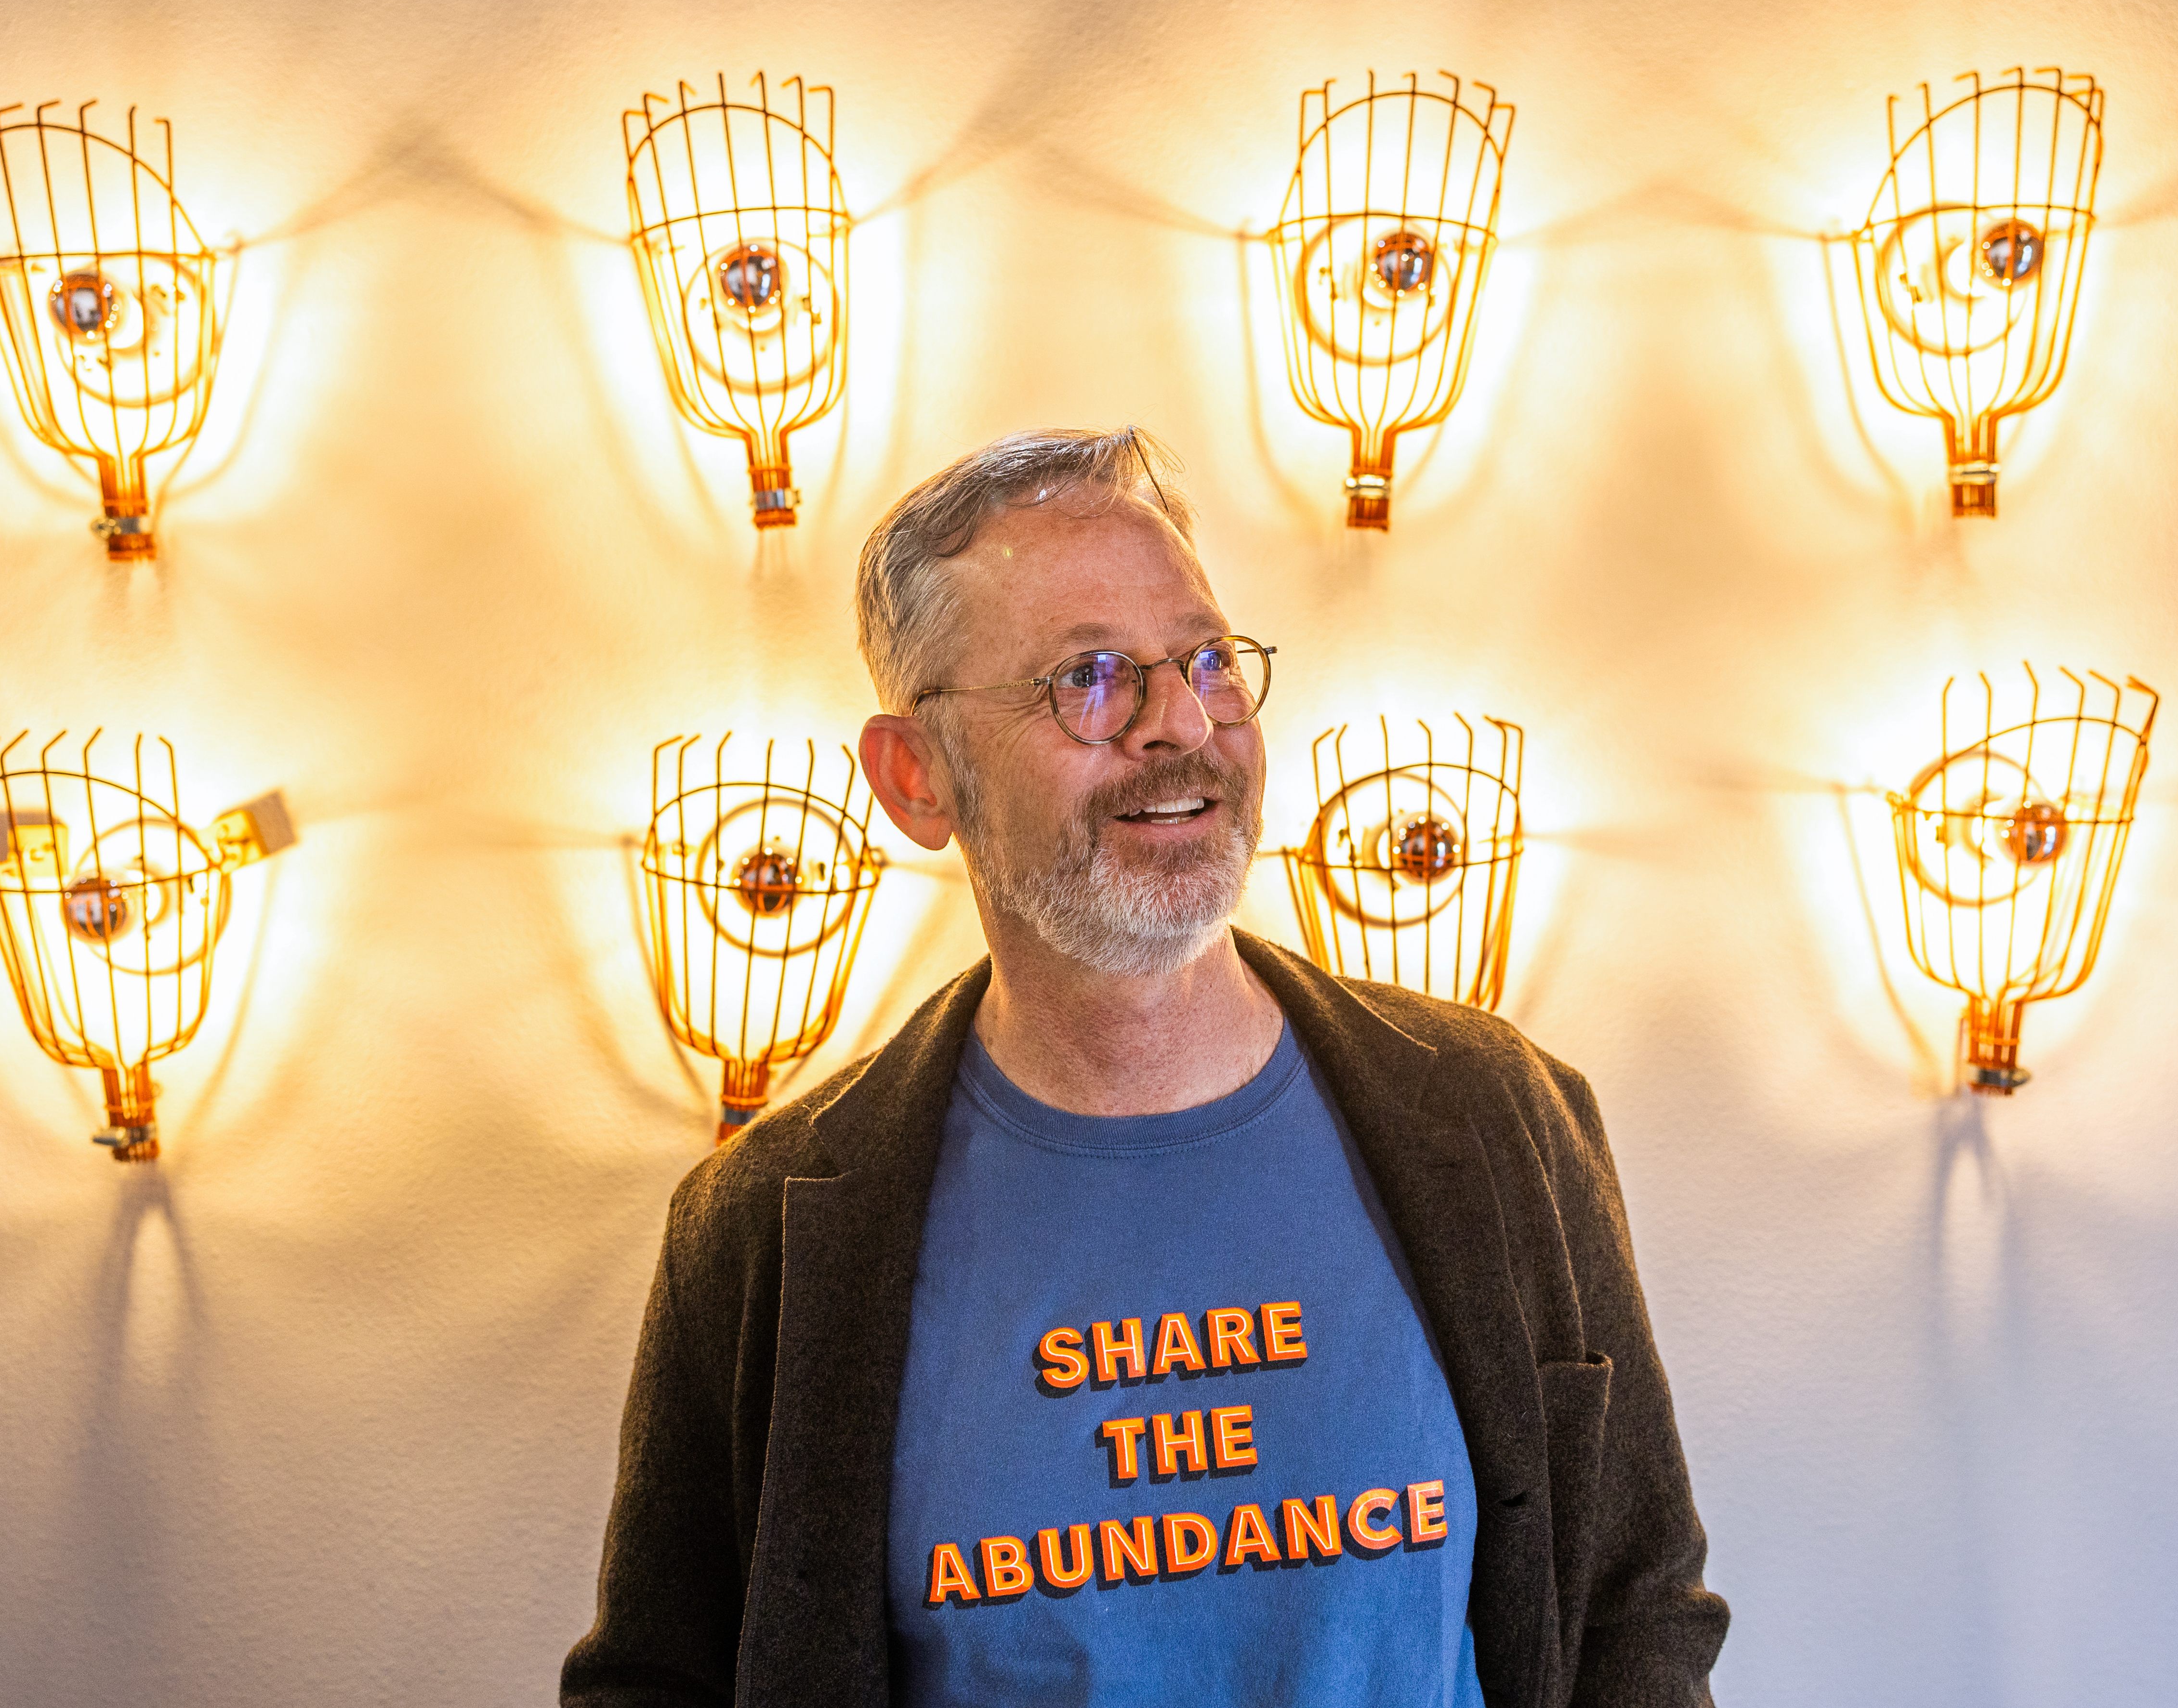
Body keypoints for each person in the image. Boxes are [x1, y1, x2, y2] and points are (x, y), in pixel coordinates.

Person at [562, 429, 1728, 1707]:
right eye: (1092, 678)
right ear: (914, 777)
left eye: (1210, 660)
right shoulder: (763, 1229)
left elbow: (1634, 1605)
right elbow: (656, 1679)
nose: (1183, 723)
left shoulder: (1494, 1114)